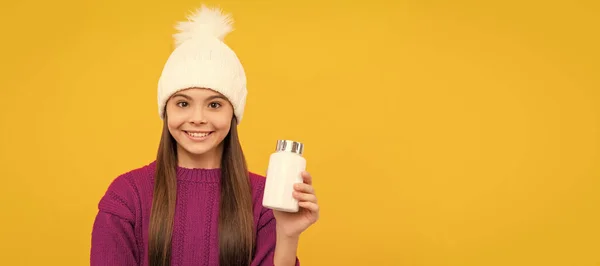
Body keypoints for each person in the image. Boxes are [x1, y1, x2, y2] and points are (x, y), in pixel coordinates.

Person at [90, 4, 319, 266]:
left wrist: (287, 236)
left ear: (233, 113)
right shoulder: (126, 196)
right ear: (166, 110)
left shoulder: (266, 199)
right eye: (183, 103)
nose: (198, 118)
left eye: (214, 104)